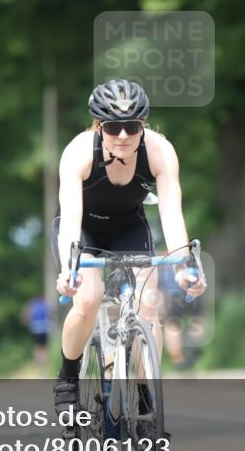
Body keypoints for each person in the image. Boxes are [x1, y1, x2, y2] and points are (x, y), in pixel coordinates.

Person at [52, 79, 205, 417]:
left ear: (144, 125)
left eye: (132, 126)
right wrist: (69, 268)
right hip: (83, 232)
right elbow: (72, 218)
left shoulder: (160, 151)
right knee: (89, 298)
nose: (123, 135)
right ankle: (68, 378)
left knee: (148, 305)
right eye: (113, 127)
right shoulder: (78, 152)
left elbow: (170, 212)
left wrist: (183, 266)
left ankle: (147, 396)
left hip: (128, 227)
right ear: (98, 127)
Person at [20, 295, 50, 370]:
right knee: (44, 346)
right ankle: (44, 363)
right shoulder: (44, 304)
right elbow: (50, 315)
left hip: (35, 329)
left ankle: (38, 363)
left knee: (37, 346)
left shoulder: (32, 305)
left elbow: (26, 317)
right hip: (44, 328)